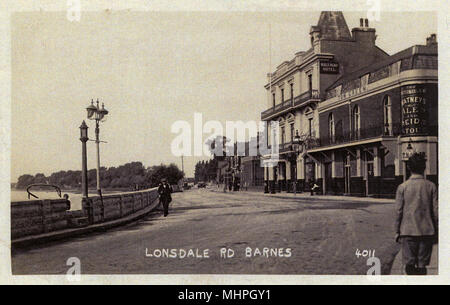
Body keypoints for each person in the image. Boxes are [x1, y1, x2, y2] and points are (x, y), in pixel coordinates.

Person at [395, 153, 438, 275]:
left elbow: (399, 212)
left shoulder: (402, 187)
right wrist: (436, 230)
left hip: (408, 232)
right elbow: (435, 211)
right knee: (422, 266)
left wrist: (397, 231)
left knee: (409, 266)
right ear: (424, 167)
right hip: (426, 232)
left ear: (409, 167)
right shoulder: (431, 186)